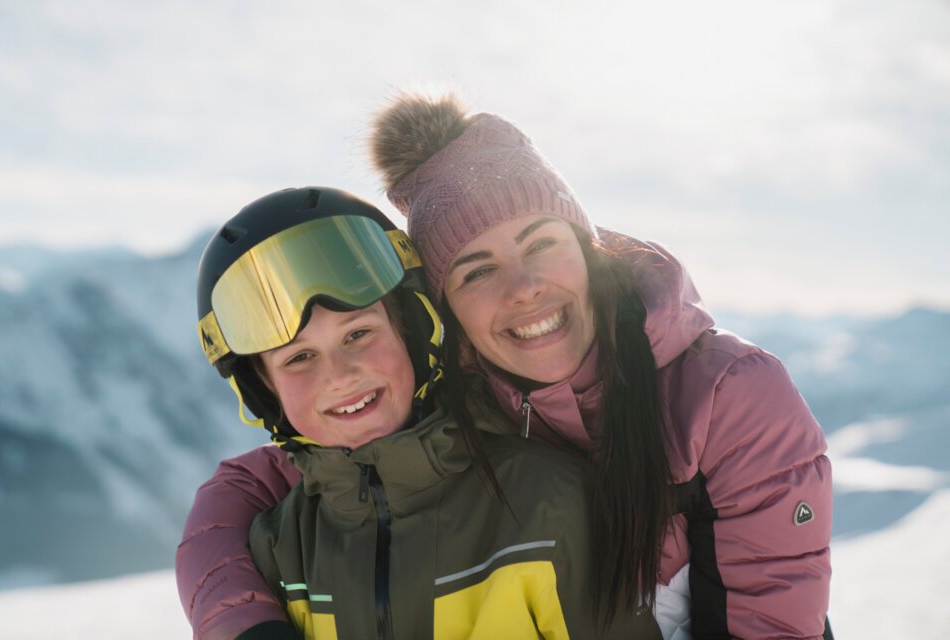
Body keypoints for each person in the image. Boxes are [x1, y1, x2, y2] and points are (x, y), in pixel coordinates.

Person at [178, 95, 833, 640]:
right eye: (478, 269)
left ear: (588, 248)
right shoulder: (455, 389)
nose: (524, 289)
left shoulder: (724, 398)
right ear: (444, 315)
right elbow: (250, 494)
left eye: (540, 244)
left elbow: (775, 618)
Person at [187, 185, 661, 640]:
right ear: (265, 392)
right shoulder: (278, 551)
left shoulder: (545, 506)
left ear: (412, 334)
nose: (340, 375)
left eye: (359, 335)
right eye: (299, 359)